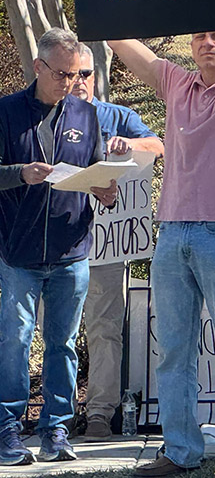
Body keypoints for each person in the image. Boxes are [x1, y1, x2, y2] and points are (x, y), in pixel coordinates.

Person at [67, 0, 215, 478]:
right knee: (174, 354)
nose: (208, 42)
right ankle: (180, 452)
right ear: (191, 46)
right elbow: (118, 39)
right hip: (173, 233)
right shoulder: (175, 84)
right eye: (201, 35)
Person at [0, 29, 118, 466]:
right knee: (13, 341)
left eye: (78, 74)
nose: (70, 82)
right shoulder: (7, 112)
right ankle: (9, 429)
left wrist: (106, 191)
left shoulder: (86, 115)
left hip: (72, 250)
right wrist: (20, 173)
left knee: (63, 344)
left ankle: (56, 429)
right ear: (38, 67)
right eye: (62, 74)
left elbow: (98, 168)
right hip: (19, 253)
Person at [73, 44, 164, 441]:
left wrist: (132, 145)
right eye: (69, 73)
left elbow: (159, 145)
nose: (78, 82)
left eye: (86, 74)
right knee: (43, 332)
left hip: (103, 246)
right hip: (48, 246)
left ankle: (99, 414)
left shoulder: (117, 116)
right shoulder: (40, 117)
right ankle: (41, 417)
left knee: (105, 328)